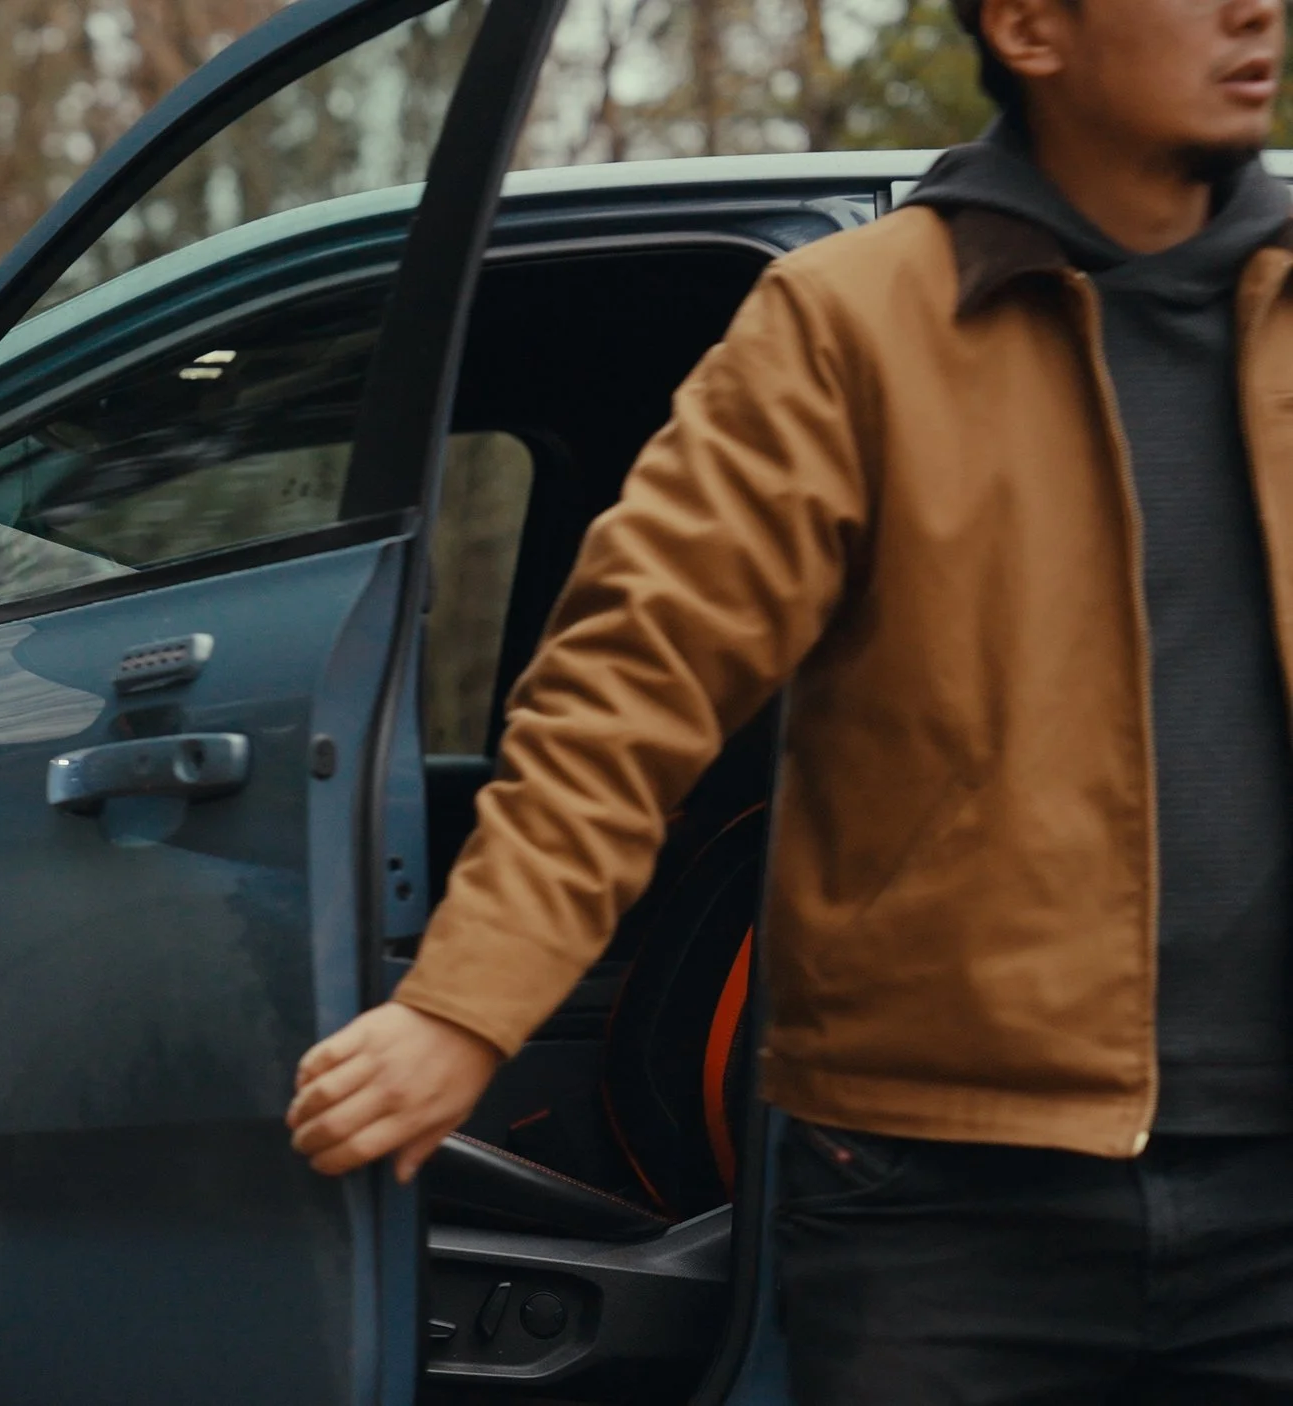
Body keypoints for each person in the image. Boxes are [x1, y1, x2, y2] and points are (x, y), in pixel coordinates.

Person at [284, 0, 1293, 1397]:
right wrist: (465, 1003)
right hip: (940, 1199)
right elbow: (633, 674)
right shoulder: (851, 326)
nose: (1253, 8)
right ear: (1033, 29)